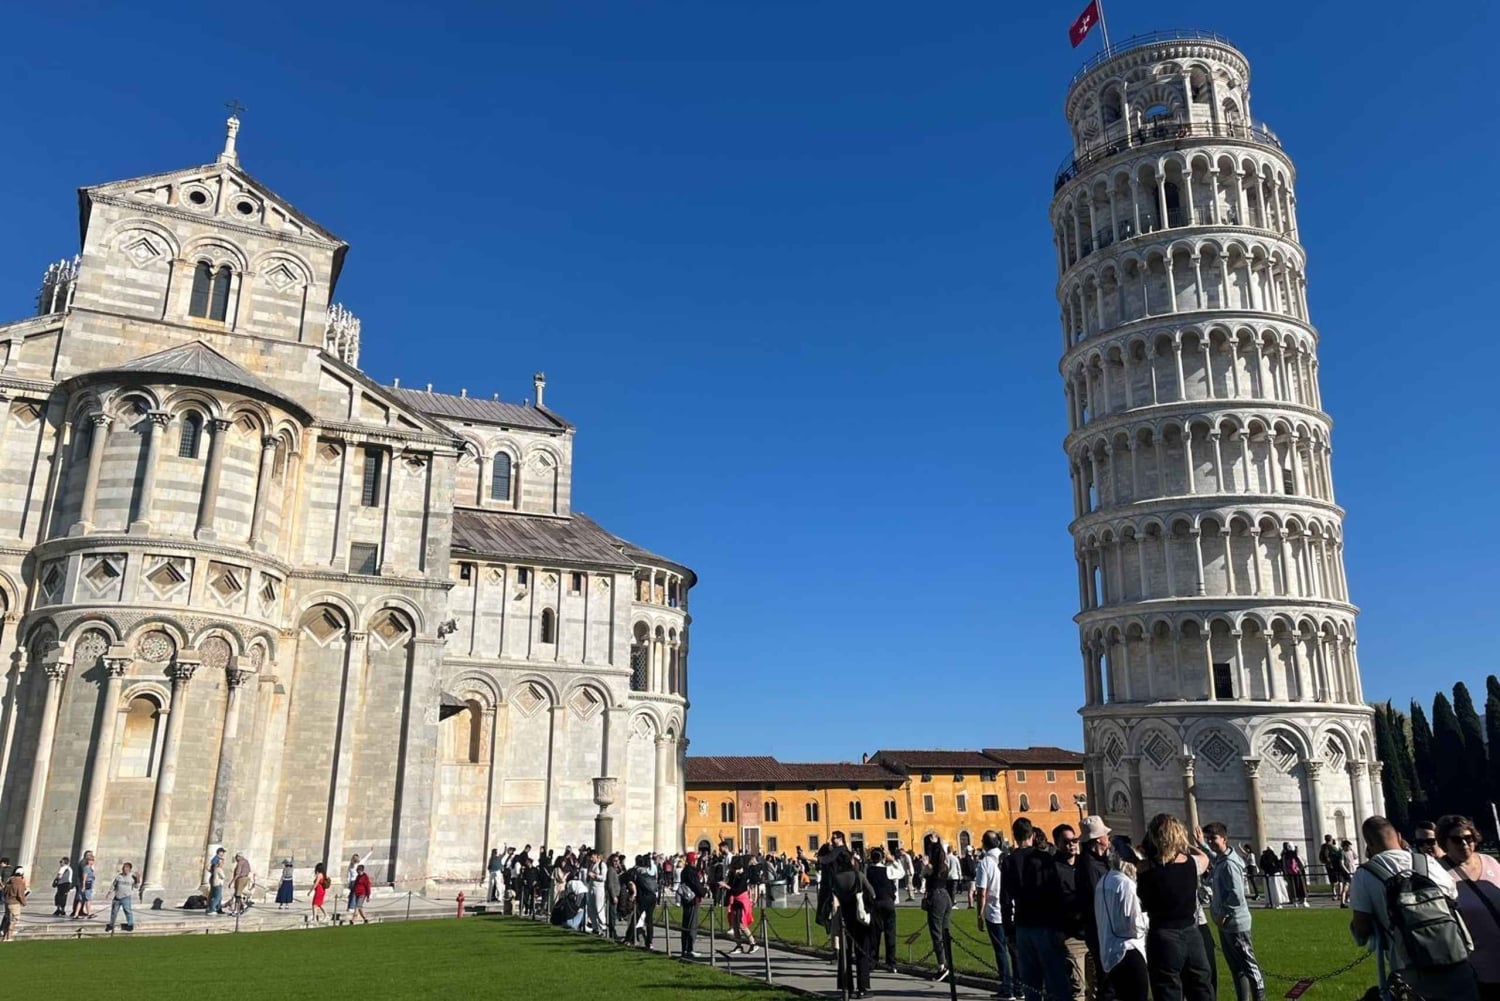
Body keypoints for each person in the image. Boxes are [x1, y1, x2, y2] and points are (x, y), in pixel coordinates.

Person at [1351, 815, 1475, 1001]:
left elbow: (1361, 927)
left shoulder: (1365, 874)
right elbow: (1453, 897)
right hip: (1454, 954)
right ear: (1399, 837)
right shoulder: (1427, 861)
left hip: (1409, 967)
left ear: (1368, 844)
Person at [1136, 814, 1214, 1001]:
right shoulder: (1191, 864)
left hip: (1162, 935)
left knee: (1167, 989)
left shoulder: (1145, 869)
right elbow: (1204, 857)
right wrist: (1186, 846)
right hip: (1191, 933)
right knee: (1201, 987)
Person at [1001, 818, 1070, 1001]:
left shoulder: (1009, 862)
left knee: (1031, 984)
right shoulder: (1044, 858)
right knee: (1056, 980)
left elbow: (1005, 900)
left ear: (1015, 836)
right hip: (1046, 923)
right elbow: (1056, 893)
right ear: (1032, 835)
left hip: (1023, 924)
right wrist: (1060, 925)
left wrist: (1009, 931)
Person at [1437, 815, 1500, 999]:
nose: (1464, 843)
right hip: (1476, 964)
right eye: (1457, 839)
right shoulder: (1439, 873)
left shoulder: (1490, 862)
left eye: (1468, 838)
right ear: (1445, 842)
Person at [1203, 822, 1266, 1001]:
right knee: (1237, 968)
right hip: (1227, 924)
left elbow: (1236, 895)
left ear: (1224, 839)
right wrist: (1201, 844)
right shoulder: (1223, 859)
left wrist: (1223, 914)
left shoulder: (1229, 864)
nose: (1211, 842)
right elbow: (1214, 857)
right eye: (1208, 839)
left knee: (1249, 967)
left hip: (1235, 923)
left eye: (1213, 838)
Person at [1095, 839, 1149, 1001]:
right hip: (1129, 950)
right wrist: (1148, 918)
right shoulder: (1126, 884)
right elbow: (1135, 925)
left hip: (1110, 951)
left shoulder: (1103, 881)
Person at [973, 830, 1020, 1000]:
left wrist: (979, 914)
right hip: (1011, 911)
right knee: (1015, 951)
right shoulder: (1008, 858)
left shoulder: (985, 863)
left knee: (1001, 951)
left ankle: (1006, 988)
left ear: (984, 844)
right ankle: (1020, 987)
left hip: (994, 912)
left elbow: (981, 892)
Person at [827, 847, 878, 998]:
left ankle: (846, 986)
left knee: (845, 954)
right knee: (862, 953)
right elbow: (872, 893)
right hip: (859, 917)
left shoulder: (836, 878)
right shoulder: (858, 875)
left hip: (845, 917)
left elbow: (834, 895)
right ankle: (863, 988)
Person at [1076, 816, 1115, 1001]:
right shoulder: (1090, 865)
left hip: (1101, 927)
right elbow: (1097, 898)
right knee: (1107, 978)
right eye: (1106, 835)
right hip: (1101, 929)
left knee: (1108, 977)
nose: (1109, 838)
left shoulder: (1094, 861)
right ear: (1099, 839)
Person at [1052, 823, 1090, 1001]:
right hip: (1070, 935)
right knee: (1078, 986)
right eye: (1066, 842)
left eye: (1074, 840)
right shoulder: (1053, 869)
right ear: (1057, 843)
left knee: (1098, 985)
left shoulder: (1085, 863)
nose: (1071, 845)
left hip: (1090, 932)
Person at [920, 835, 954, 982]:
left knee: (936, 932)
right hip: (946, 896)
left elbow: (921, 878)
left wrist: (924, 865)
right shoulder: (944, 865)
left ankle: (942, 966)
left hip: (935, 896)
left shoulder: (930, 866)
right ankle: (948, 962)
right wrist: (937, 843)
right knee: (945, 930)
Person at [865, 847, 901, 974]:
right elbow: (901, 872)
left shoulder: (868, 870)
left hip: (875, 903)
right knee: (890, 934)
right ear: (882, 858)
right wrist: (893, 860)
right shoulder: (888, 870)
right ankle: (891, 963)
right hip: (888, 902)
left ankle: (872, 961)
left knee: (874, 934)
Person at [719, 854, 757, 954]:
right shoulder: (733, 875)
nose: (733, 870)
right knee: (735, 924)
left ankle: (753, 943)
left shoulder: (743, 876)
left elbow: (736, 890)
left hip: (741, 901)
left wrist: (726, 886)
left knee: (741, 924)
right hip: (735, 901)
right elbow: (730, 886)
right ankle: (738, 945)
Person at [679, 851, 707, 958]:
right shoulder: (691, 872)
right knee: (692, 925)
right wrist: (703, 891)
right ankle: (689, 949)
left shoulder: (685, 871)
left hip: (686, 899)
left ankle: (685, 948)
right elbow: (696, 885)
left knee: (686, 923)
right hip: (692, 900)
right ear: (693, 861)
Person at [105, 862, 136, 933]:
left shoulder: (132, 877)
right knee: (114, 912)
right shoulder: (119, 876)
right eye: (124, 867)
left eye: (126, 868)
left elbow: (136, 886)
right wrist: (109, 893)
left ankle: (130, 925)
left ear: (130, 869)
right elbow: (113, 885)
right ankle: (111, 924)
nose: (125, 869)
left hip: (126, 897)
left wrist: (138, 878)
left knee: (127, 911)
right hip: (117, 897)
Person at [585, 850, 608, 937]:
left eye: (592, 857)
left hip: (599, 889)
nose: (591, 859)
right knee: (591, 908)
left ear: (596, 856)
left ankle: (603, 927)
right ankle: (595, 927)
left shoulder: (602, 865)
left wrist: (594, 876)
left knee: (599, 908)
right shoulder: (591, 865)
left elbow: (603, 878)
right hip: (591, 888)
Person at [2, 865, 27, 940]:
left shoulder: (9, 880)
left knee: (8, 919)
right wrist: (23, 902)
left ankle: (5, 937)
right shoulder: (19, 881)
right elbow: (20, 894)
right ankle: (9, 937)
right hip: (14, 903)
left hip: (7, 902)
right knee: (14, 919)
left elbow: (4, 891)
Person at [1280, 843, 1307, 908]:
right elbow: (1302, 863)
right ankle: (1303, 901)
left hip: (1290, 873)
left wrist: (1286, 873)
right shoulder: (1295, 854)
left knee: (1292, 887)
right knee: (1301, 887)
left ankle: (1294, 902)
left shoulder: (1285, 855)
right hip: (1298, 872)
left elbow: (1284, 865)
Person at [72, 851, 97, 919]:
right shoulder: (86, 867)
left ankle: (76, 914)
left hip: (85, 885)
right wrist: (83, 886)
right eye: (91, 860)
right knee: (88, 900)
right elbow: (84, 877)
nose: (93, 861)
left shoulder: (88, 867)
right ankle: (89, 913)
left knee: (81, 900)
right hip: (86, 885)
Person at [205, 847, 226, 916]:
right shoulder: (216, 859)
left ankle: (217, 908)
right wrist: (213, 872)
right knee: (216, 895)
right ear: (219, 852)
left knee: (216, 895)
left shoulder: (217, 859)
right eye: (222, 852)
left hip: (215, 878)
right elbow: (208, 866)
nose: (223, 853)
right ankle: (212, 908)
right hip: (216, 879)